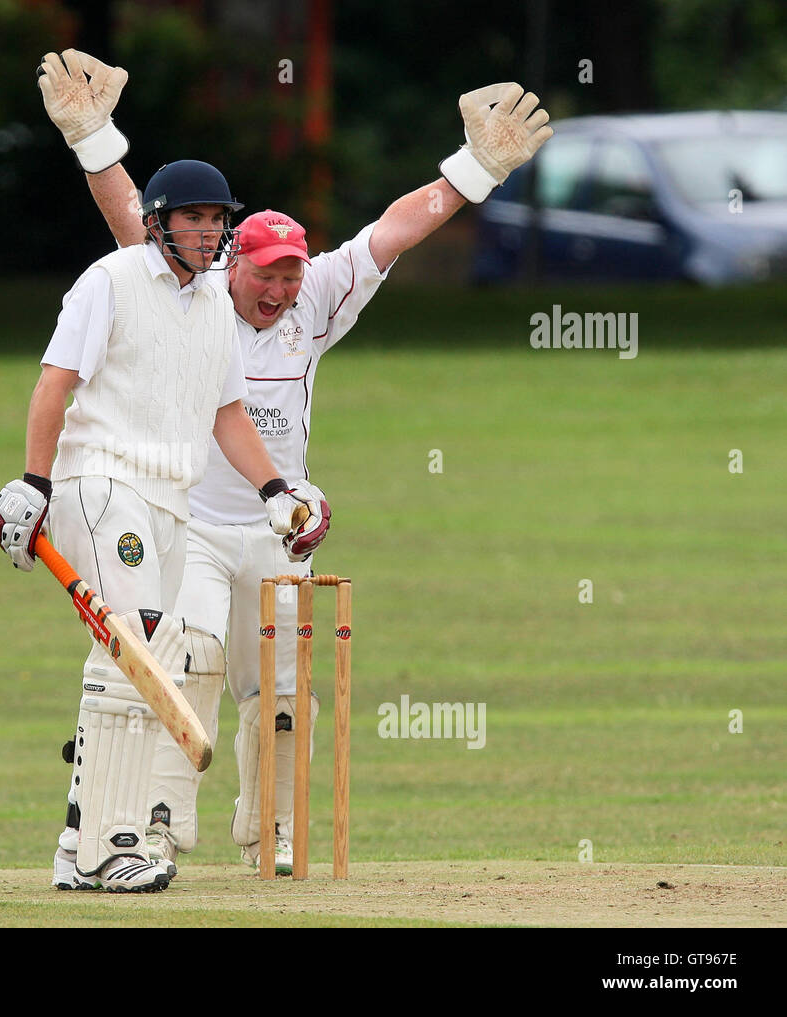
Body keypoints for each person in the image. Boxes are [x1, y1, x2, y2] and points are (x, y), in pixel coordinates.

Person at [37, 50, 552, 876]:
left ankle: (270, 831)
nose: (278, 290)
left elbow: (395, 229)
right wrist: (93, 135)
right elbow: (137, 216)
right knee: (187, 663)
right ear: (231, 258)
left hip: (277, 531)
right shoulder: (192, 281)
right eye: (266, 274)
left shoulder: (316, 295)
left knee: (283, 697)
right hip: (191, 526)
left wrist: (475, 168)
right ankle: (154, 827)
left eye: (290, 274)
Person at [0, 140, 327, 891]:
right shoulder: (109, 280)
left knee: (150, 656)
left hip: (171, 502)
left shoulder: (212, 303)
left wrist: (279, 491)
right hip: (102, 482)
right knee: (134, 645)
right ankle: (110, 846)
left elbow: (228, 413)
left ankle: (79, 839)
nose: (208, 232)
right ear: (156, 221)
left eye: (217, 220)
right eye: (193, 219)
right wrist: (32, 483)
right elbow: (55, 383)